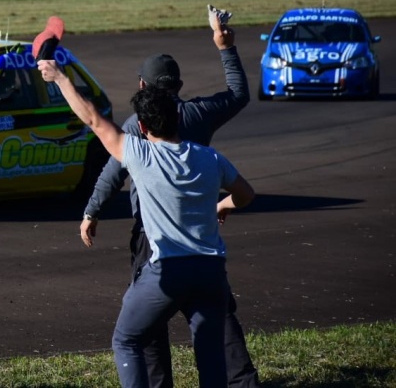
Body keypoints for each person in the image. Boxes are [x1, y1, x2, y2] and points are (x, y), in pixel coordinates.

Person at [38, 61, 255, 388]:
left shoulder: (140, 154)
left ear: (142, 127)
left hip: (167, 273)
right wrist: (222, 204)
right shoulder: (211, 158)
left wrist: (59, 78)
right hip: (212, 272)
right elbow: (246, 194)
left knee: (127, 341)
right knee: (211, 357)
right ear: (177, 116)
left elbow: (92, 118)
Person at [82, 8, 259, 388]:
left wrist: (92, 210)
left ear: (143, 87)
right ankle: (242, 381)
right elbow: (239, 94)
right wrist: (225, 47)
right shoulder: (199, 115)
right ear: (178, 86)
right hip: (202, 231)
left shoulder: (137, 129)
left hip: (155, 237)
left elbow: (111, 173)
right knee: (216, 317)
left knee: (145, 326)